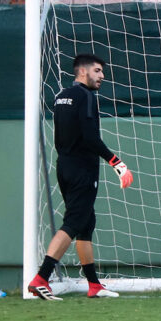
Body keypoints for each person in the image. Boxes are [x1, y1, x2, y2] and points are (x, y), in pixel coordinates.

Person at [27, 53, 135, 300]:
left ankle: (94, 285)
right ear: (83, 72)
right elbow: (90, 137)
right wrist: (117, 163)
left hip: (64, 165)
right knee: (75, 222)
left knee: (86, 223)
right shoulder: (86, 97)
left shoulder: (61, 96)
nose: (102, 76)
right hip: (82, 170)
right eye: (98, 71)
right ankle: (41, 278)